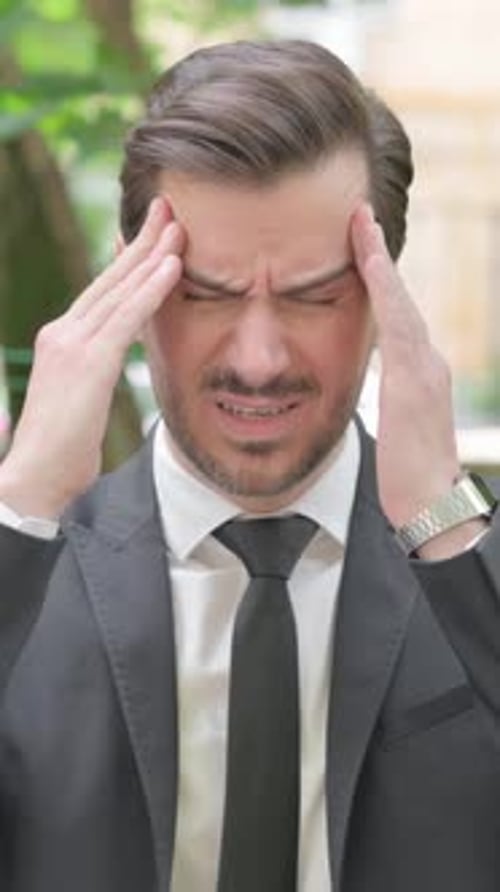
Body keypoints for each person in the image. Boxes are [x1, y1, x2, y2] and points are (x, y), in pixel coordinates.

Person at [0, 38, 499, 892]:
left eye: (314, 296)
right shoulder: (31, 571)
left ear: (386, 294)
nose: (260, 359)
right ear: (133, 282)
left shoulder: (465, 570)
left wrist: (444, 530)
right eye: (204, 294)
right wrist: (19, 506)